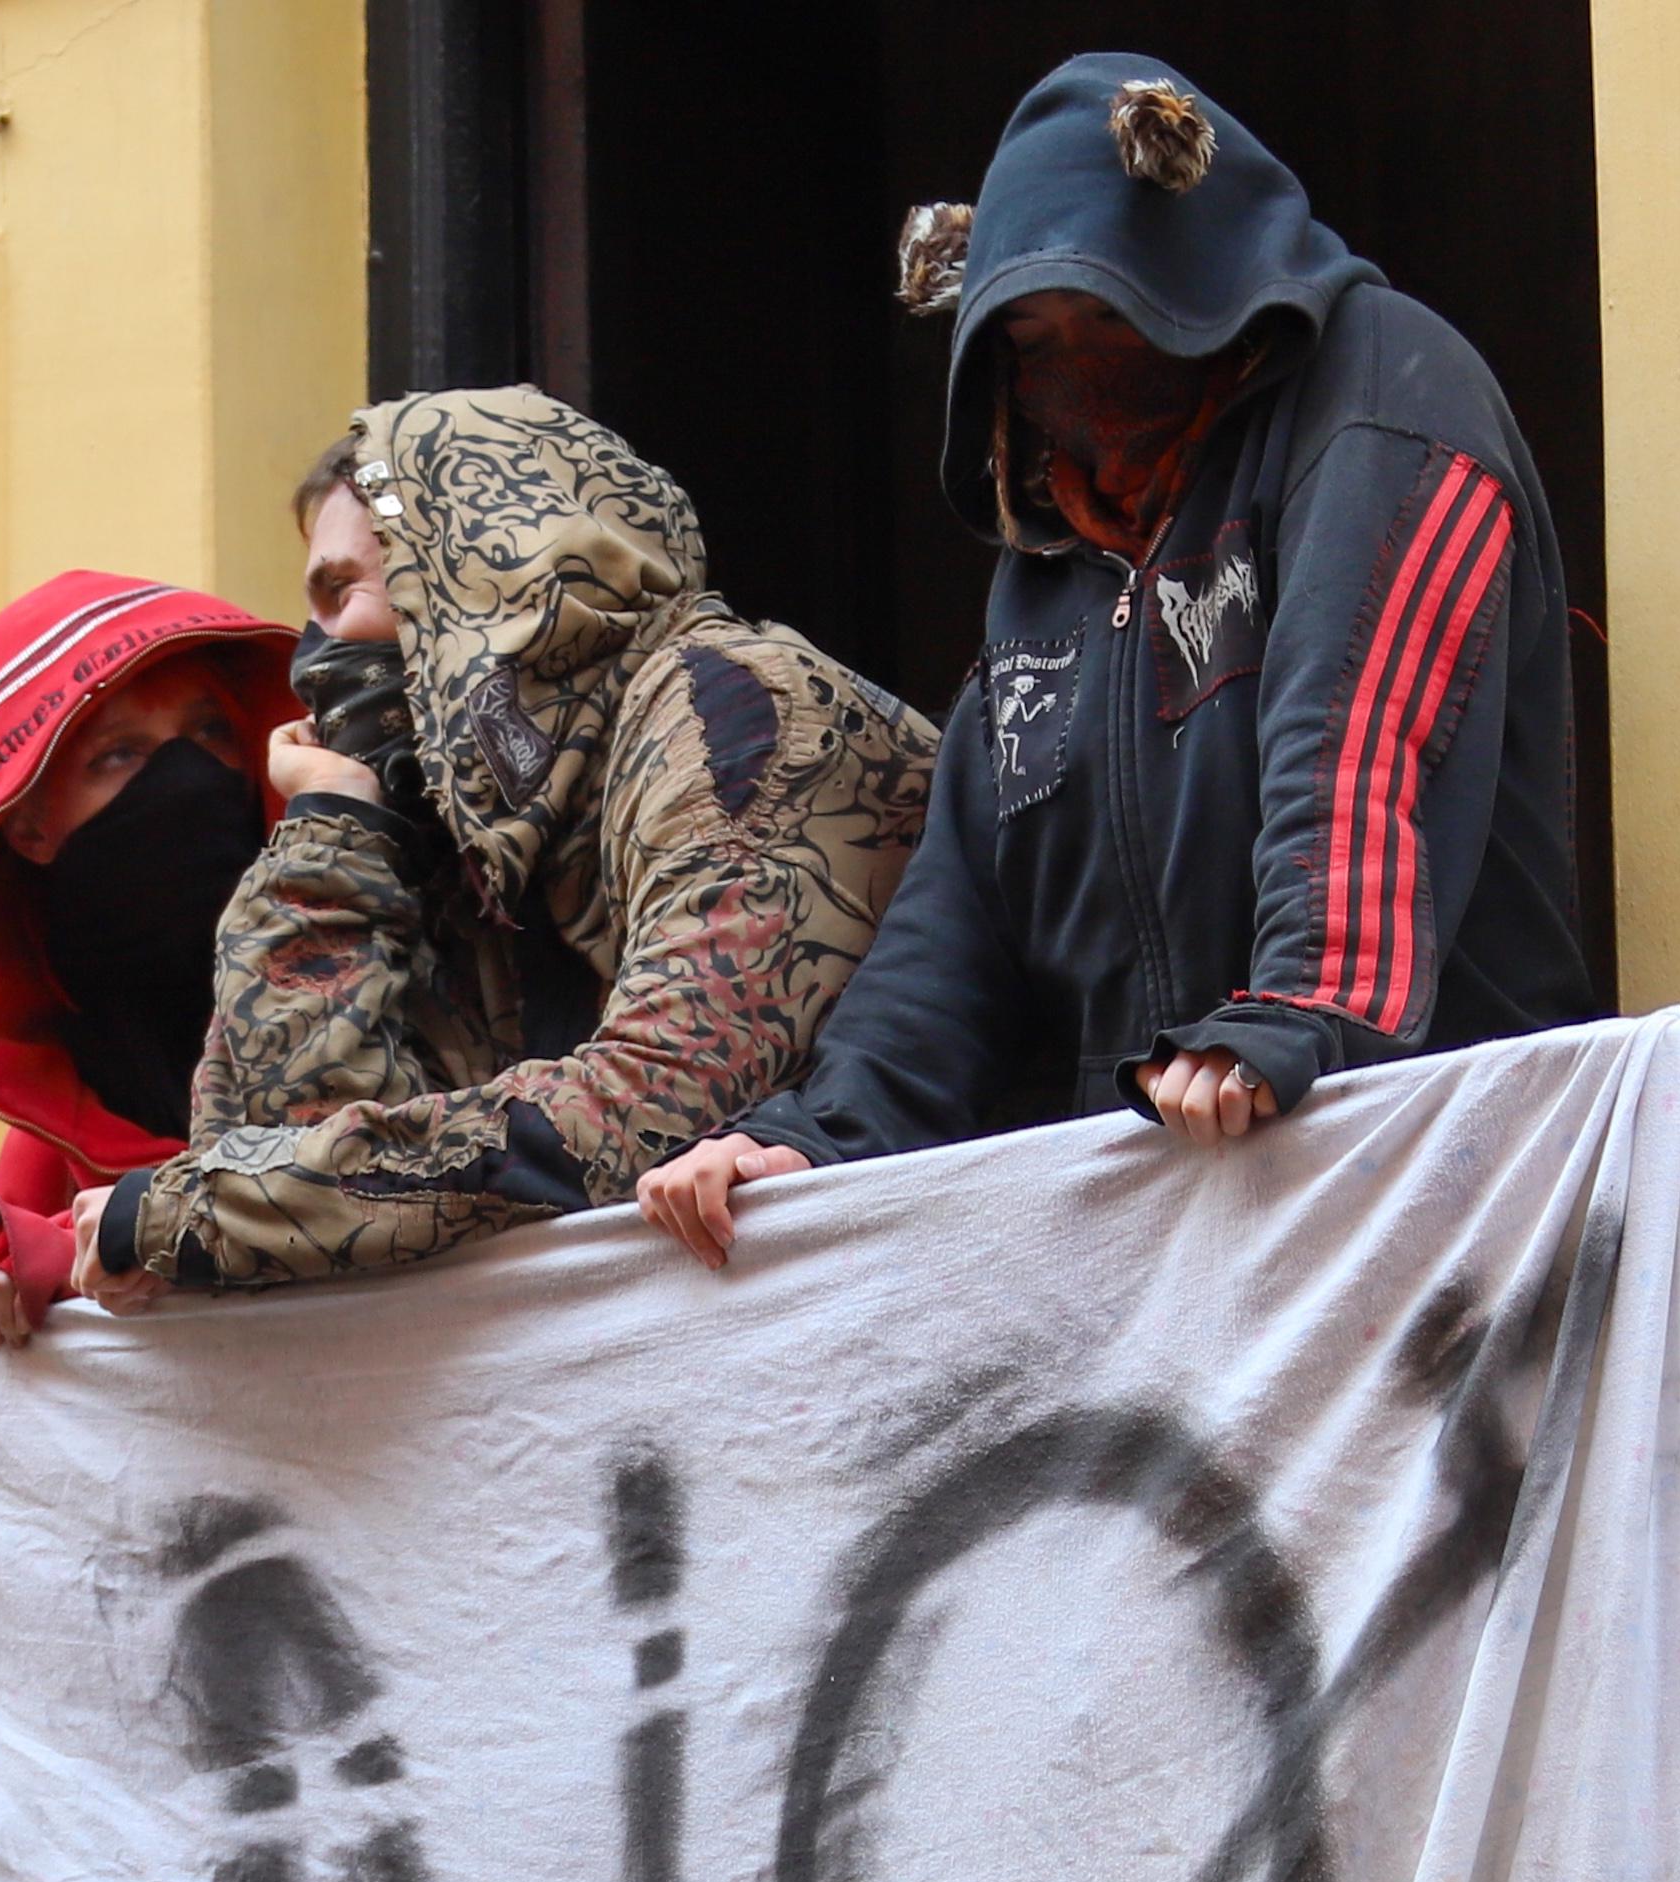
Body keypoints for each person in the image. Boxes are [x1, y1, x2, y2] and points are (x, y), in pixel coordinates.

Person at [634, 54, 1600, 1266]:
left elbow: (1358, 739)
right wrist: (818, 1138)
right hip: (1175, 1223)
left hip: (1432, 1186)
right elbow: (961, 910)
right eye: (1030, 335)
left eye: (1107, 313)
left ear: (1196, 284)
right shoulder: (1047, 566)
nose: (1076, 363)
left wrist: (1295, 1014)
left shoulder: (1382, 392)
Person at [59, 389, 937, 1301]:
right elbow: (292, 1172)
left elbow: (649, 1106)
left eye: (338, 592)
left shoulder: (739, 714)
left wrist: (196, 1214)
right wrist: (334, 835)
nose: (314, 653)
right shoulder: (479, 838)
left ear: (475, 563)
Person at [0, 571, 299, 1342]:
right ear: (29, 829)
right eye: (119, 754)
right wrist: (44, 1253)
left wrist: (132, 1230)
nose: (187, 778)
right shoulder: (54, 1136)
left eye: (211, 734)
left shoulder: (391, 989)